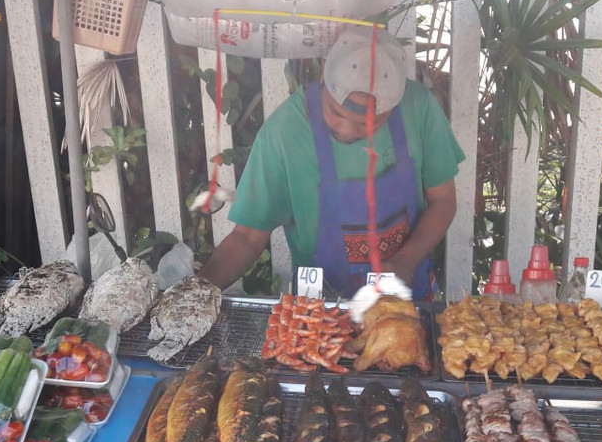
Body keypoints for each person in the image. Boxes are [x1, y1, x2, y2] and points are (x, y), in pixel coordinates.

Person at [197, 26, 465, 300]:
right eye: (336, 112)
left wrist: (406, 260)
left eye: (366, 124)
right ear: (324, 82)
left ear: (393, 107)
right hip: (318, 312)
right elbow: (247, 238)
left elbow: (443, 200)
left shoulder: (418, 108)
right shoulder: (284, 133)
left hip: (406, 300)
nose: (347, 129)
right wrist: (196, 295)